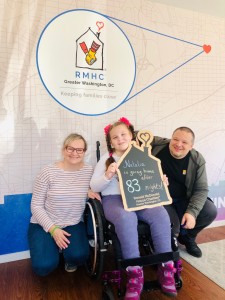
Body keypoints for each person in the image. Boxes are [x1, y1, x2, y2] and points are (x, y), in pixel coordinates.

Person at [90, 117, 178, 299]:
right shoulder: (108, 159)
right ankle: (134, 273)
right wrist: (107, 175)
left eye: (123, 134)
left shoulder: (143, 155)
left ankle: (166, 268)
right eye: (115, 137)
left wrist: (161, 183)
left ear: (131, 136)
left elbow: (152, 179)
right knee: (126, 217)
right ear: (111, 141)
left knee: (161, 214)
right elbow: (94, 186)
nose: (120, 139)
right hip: (114, 199)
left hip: (140, 197)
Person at [28, 133, 100, 276]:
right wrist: (53, 230)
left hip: (73, 223)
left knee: (79, 256)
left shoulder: (89, 171)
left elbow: (96, 184)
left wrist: (88, 190)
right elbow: (36, 206)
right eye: (70, 148)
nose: (75, 153)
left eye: (79, 150)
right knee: (43, 267)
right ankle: (53, 247)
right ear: (63, 150)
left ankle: (68, 256)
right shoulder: (47, 172)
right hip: (44, 224)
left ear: (84, 152)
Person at [151, 127, 217, 258]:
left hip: (184, 199)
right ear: (171, 138)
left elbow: (201, 189)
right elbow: (132, 135)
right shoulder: (157, 146)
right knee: (171, 228)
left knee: (210, 211)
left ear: (191, 146)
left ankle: (188, 238)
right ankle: (163, 248)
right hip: (160, 199)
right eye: (175, 139)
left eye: (184, 142)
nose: (178, 144)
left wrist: (191, 212)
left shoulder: (197, 159)